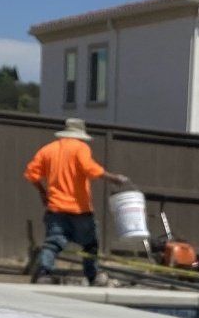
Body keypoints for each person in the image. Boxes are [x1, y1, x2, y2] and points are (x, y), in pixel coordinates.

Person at [23, 118, 128, 286]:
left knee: (52, 243)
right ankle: (92, 276)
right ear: (80, 134)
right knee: (90, 245)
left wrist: (43, 193)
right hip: (80, 209)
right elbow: (90, 168)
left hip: (56, 208)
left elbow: (31, 173)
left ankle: (44, 273)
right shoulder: (80, 148)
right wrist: (113, 178)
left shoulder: (48, 150)